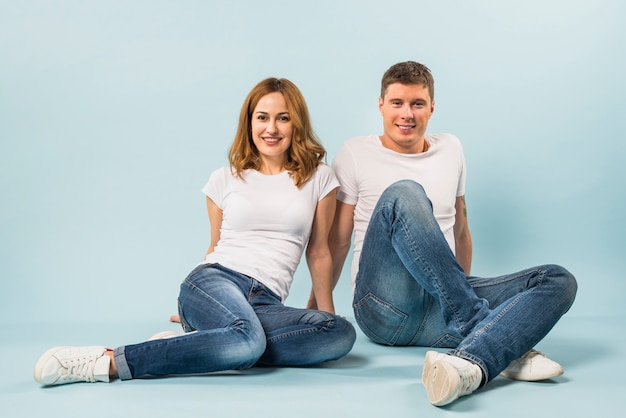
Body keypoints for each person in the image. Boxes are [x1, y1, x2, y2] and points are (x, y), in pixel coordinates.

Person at [34, 77, 356, 386]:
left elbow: (319, 251)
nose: (271, 128)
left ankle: (205, 344)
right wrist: (206, 310)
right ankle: (109, 362)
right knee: (248, 340)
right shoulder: (224, 179)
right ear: (249, 123)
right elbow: (214, 247)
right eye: (262, 118)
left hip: (267, 302)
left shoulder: (319, 177)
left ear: (296, 123)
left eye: (282, 118)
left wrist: (326, 319)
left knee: (340, 334)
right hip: (215, 281)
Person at [320, 61, 577, 406]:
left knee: (558, 280)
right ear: (380, 105)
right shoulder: (355, 152)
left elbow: (461, 230)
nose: (406, 114)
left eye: (417, 104)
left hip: (442, 304)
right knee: (404, 193)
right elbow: (337, 240)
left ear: (432, 107)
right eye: (397, 103)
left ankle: (471, 362)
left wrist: (456, 293)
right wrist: (321, 305)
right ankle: (490, 332)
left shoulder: (451, 148)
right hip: (383, 309)